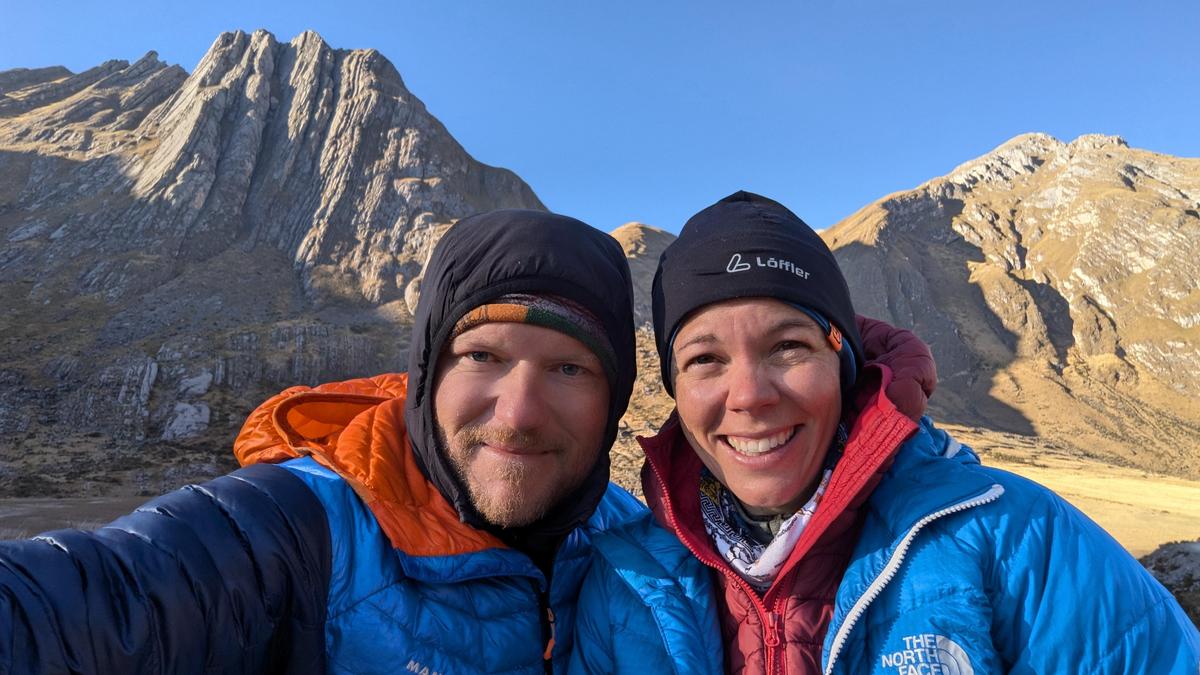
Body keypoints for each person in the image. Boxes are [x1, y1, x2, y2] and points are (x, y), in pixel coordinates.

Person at [570, 191, 1200, 674]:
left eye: (788, 347)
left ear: (844, 365)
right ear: (674, 391)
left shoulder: (1021, 542)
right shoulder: (625, 582)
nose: (751, 395)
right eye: (705, 359)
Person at [0, 208, 645, 673]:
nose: (520, 412)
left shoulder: (645, 545)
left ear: (612, 398)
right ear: (426, 374)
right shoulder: (299, 528)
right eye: (481, 355)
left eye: (570, 369)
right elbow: (106, 598)